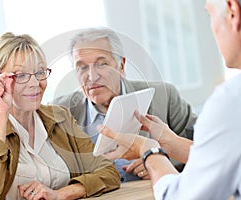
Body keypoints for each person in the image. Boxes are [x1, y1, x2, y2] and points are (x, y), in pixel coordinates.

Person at [0, 27, 197, 199]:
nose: (92, 76)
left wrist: (157, 159)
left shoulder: (163, 97)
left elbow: (209, 150)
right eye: (82, 67)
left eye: (102, 64)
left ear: (121, 66)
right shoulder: (66, 108)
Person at [0, 32, 121, 200]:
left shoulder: (60, 117)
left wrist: (60, 194)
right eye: (21, 75)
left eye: (40, 72)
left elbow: (108, 172)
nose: (34, 84)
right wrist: (1, 115)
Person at [98, 0, 241, 199]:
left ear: (232, 12)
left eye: (210, 15)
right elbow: (225, 157)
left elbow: (180, 196)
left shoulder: (231, 103)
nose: (212, 29)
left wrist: (148, 151)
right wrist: (170, 141)